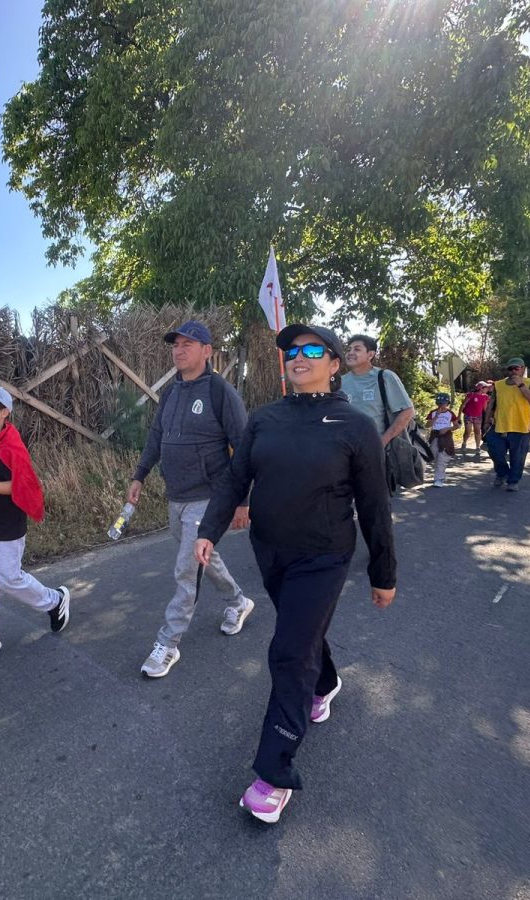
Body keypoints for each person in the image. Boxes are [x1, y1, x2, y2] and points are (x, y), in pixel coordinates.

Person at [194, 325, 396, 824]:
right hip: (271, 551)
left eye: (312, 350)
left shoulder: (355, 426)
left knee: (287, 651)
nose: (298, 356)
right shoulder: (265, 419)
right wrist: (208, 530)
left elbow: (375, 505)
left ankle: (273, 774)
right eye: (291, 350)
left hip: (323, 557)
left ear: (334, 365)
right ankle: (324, 684)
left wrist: (382, 572)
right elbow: (235, 479)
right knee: (300, 636)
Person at [127, 320, 252, 678]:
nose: (178, 350)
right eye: (175, 345)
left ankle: (168, 644)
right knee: (202, 559)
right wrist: (139, 475)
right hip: (176, 494)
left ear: (207, 351)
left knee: (186, 570)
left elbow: (244, 449)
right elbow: (156, 436)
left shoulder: (220, 392)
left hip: (209, 496)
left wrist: (243, 500)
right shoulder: (170, 393)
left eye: (188, 344)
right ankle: (238, 601)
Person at [0, 384, 71, 665]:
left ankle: (54, 601)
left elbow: (24, 486)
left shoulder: (12, 447)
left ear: (5, 413)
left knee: (10, 580)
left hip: (5, 529)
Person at [340, 334, 415, 449]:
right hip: (345, 449)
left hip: (375, 450)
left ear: (370, 354)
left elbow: (407, 411)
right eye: (348, 349)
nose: (350, 353)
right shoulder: (340, 382)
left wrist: (382, 442)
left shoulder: (385, 377)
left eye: (357, 349)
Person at [484, 357, 530, 492]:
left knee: (518, 457)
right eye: (510, 369)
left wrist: (520, 385)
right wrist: (486, 421)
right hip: (499, 426)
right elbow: (491, 403)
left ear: (522, 369)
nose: (513, 371)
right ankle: (502, 472)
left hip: (521, 427)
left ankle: (513, 481)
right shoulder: (499, 384)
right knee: (494, 451)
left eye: (516, 368)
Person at [425, 393, 461, 487]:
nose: (441, 405)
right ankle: (437, 474)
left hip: (446, 437)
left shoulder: (450, 413)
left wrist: (447, 429)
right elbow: (427, 425)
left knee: (442, 457)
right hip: (435, 436)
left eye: (443, 403)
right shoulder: (433, 412)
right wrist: (436, 416)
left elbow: (457, 426)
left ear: (447, 403)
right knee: (432, 455)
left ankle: (439, 479)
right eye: (439, 403)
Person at [459, 382, 491, 457]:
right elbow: (463, 405)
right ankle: (464, 443)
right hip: (468, 416)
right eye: (486, 387)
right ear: (481, 388)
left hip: (478, 416)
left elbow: (485, 408)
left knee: (477, 431)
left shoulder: (485, 397)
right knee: (468, 431)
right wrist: (459, 416)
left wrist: (489, 417)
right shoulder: (471, 395)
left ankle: (477, 447)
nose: (488, 389)